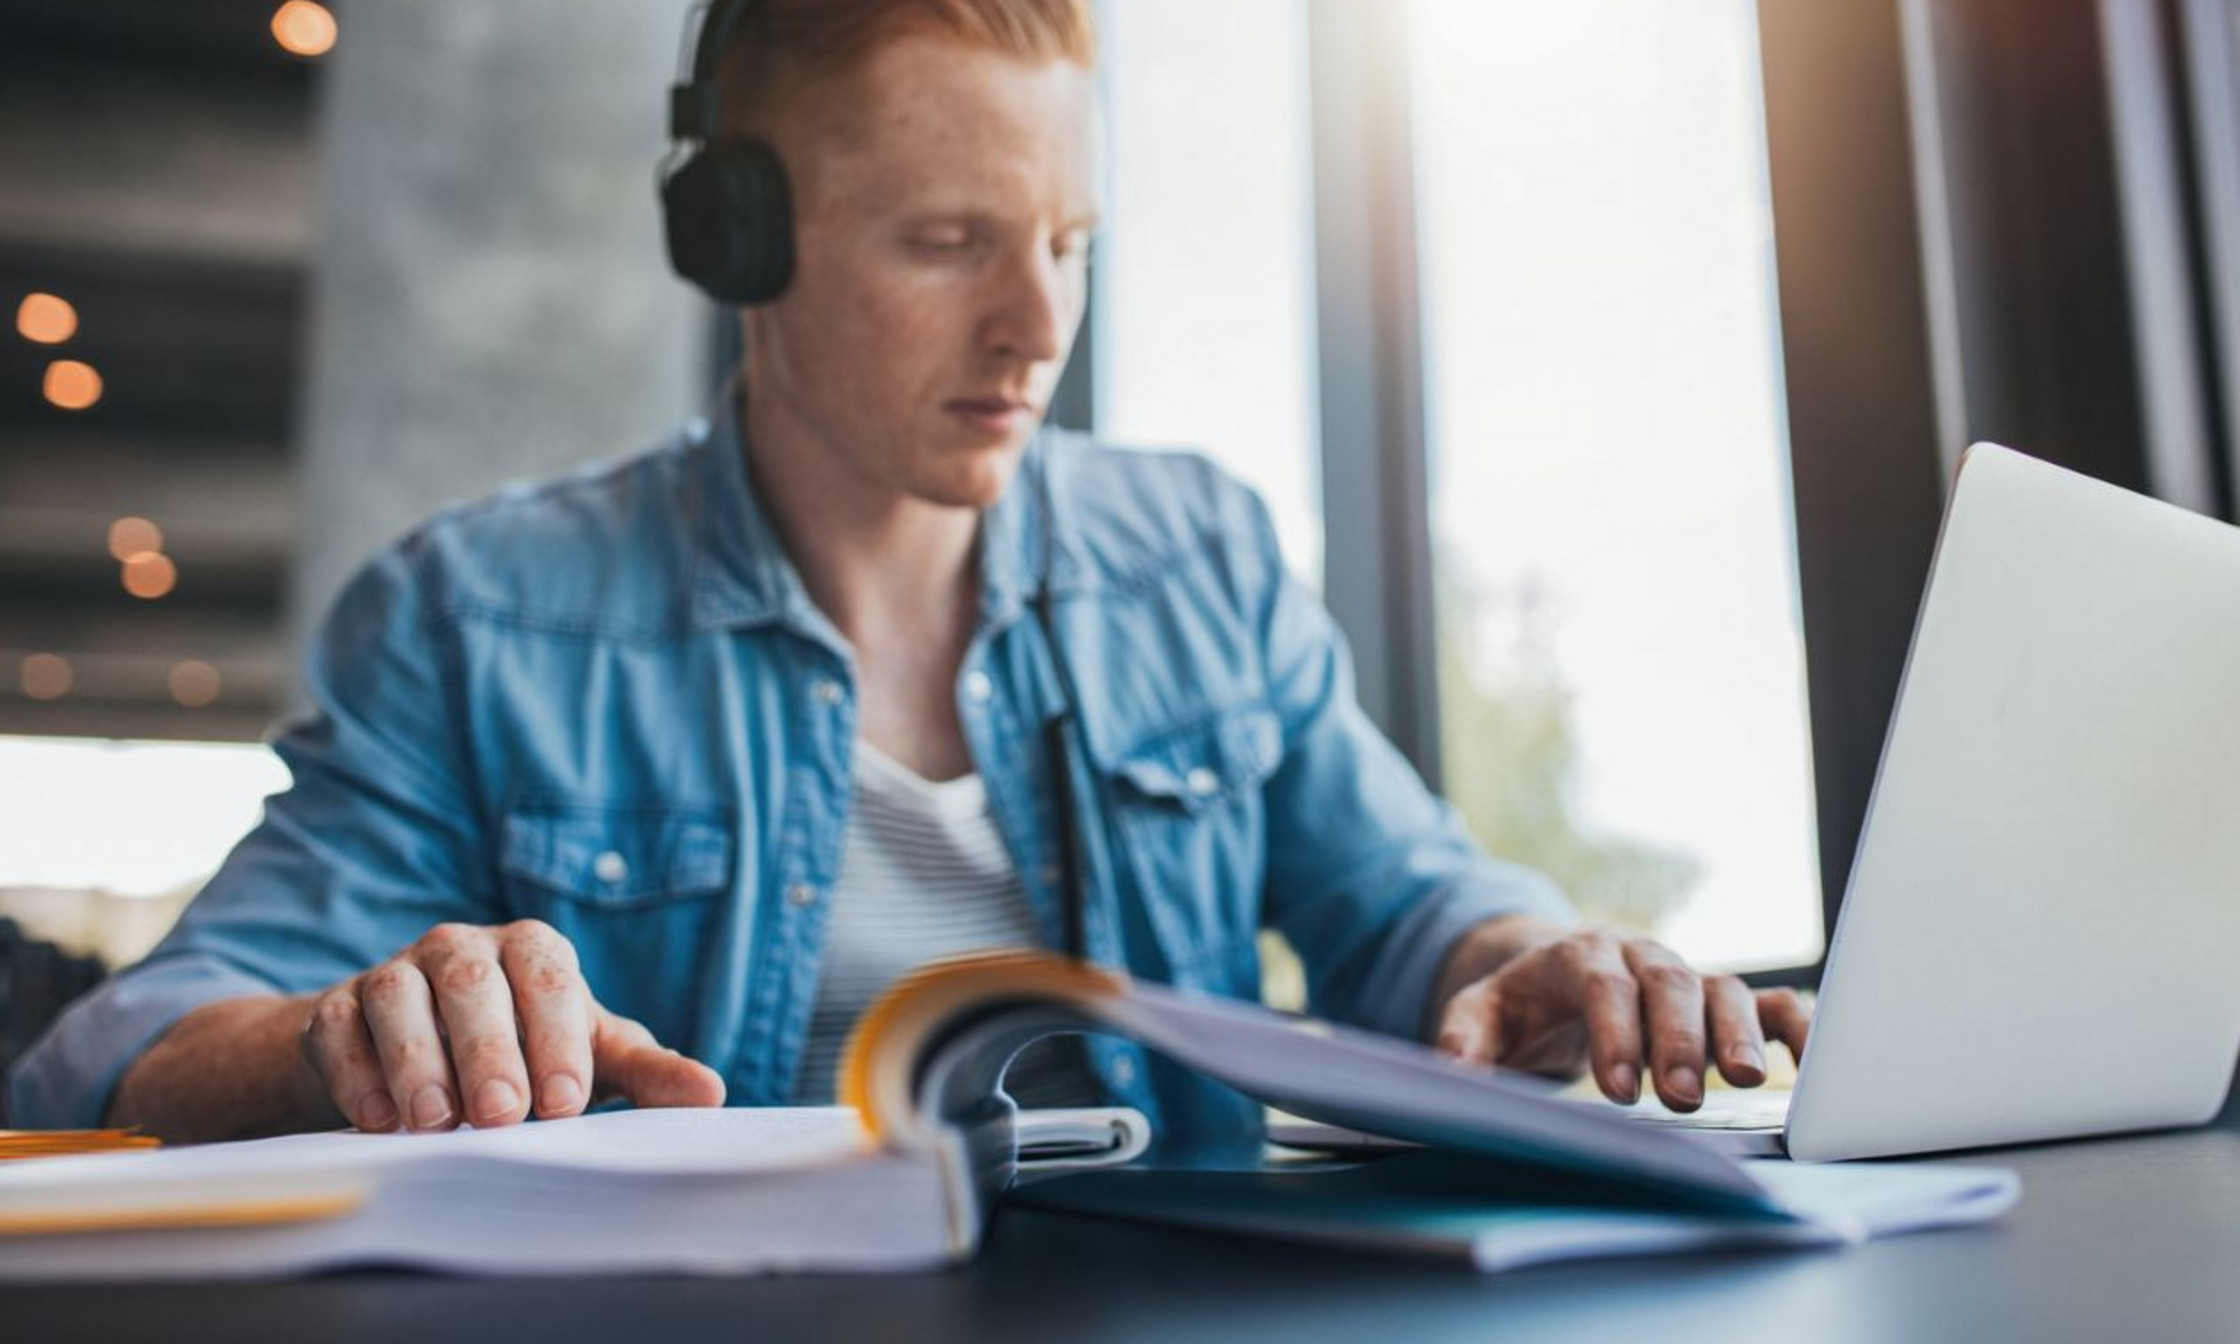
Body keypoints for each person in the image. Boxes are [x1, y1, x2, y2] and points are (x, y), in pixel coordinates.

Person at [9, 0, 1808, 1146]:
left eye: (1070, 243)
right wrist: (335, 1037)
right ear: (739, 240)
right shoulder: (476, 617)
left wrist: (1535, 959)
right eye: (949, 241)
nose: (1038, 326)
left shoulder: (1202, 555)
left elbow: (1407, 906)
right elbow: (115, 1052)